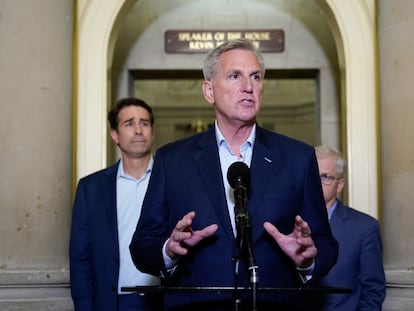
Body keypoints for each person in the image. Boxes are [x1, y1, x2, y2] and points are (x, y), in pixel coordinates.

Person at [130, 39, 338, 311]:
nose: (248, 87)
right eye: (234, 76)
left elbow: (326, 244)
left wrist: (307, 258)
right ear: (209, 91)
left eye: (256, 77)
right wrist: (169, 249)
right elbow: (143, 245)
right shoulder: (172, 160)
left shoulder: (297, 158)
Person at [69, 98, 162, 311]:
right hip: (113, 302)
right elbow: (80, 257)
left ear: (152, 132)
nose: (138, 130)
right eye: (129, 123)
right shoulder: (91, 189)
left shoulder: (174, 181)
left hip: (162, 300)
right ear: (114, 135)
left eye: (145, 123)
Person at [314, 145, 386, 310]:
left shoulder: (364, 228)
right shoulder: (288, 223)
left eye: (325, 176)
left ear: (339, 185)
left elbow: (373, 290)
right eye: (312, 175)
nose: (316, 183)